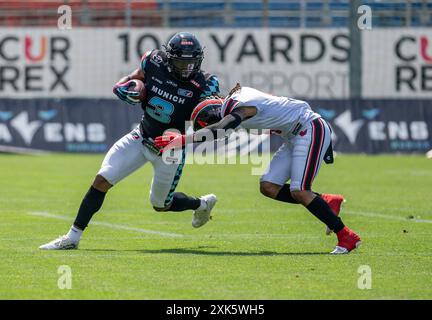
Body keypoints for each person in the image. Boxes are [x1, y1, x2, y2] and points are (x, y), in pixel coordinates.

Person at [40, 32, 220, 250]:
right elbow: (130, 80)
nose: (187, 68)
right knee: (102, 180)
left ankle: (201, 204)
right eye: (181, 62)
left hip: (171, 150)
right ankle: (72, 238)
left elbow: (210, 121)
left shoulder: (205, 83)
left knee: (161, 205)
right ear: (169, 57)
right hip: (141, 137)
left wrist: (207, 118)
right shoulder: (154, 62)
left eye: (191, 62)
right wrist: (124, 88)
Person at [155, 84, 361, 254]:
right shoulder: (238, 97)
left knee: (300, 190)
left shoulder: (237, 108)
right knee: (268, 186)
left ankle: (346, 236)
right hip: (294, 134)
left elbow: (219, 129)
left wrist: (181, 140)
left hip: (310, 128)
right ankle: (327, 201)